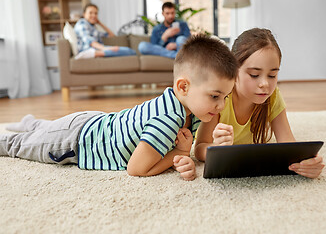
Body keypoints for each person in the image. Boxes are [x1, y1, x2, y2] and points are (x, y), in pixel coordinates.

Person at [0, 35, 238, 181]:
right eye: (215, 96)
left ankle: (31, 123)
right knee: (17, 146)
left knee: (48, 128)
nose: (221, 105)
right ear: (183, 87)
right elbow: (136, 169)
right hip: (76, 141)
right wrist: (178, 153)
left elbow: (202, 146)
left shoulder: (196, 110)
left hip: (94, 122)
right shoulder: (167, 120)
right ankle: (24, 130)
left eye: (226, 96)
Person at [194, 28, 325, 179]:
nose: (265, 84)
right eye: (254, 75)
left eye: (272, 75)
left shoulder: (273, 96)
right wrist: (215, 148)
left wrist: (307, 163)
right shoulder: (221, 98)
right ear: (234, 70)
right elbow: (199, 148)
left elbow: (288, 144)